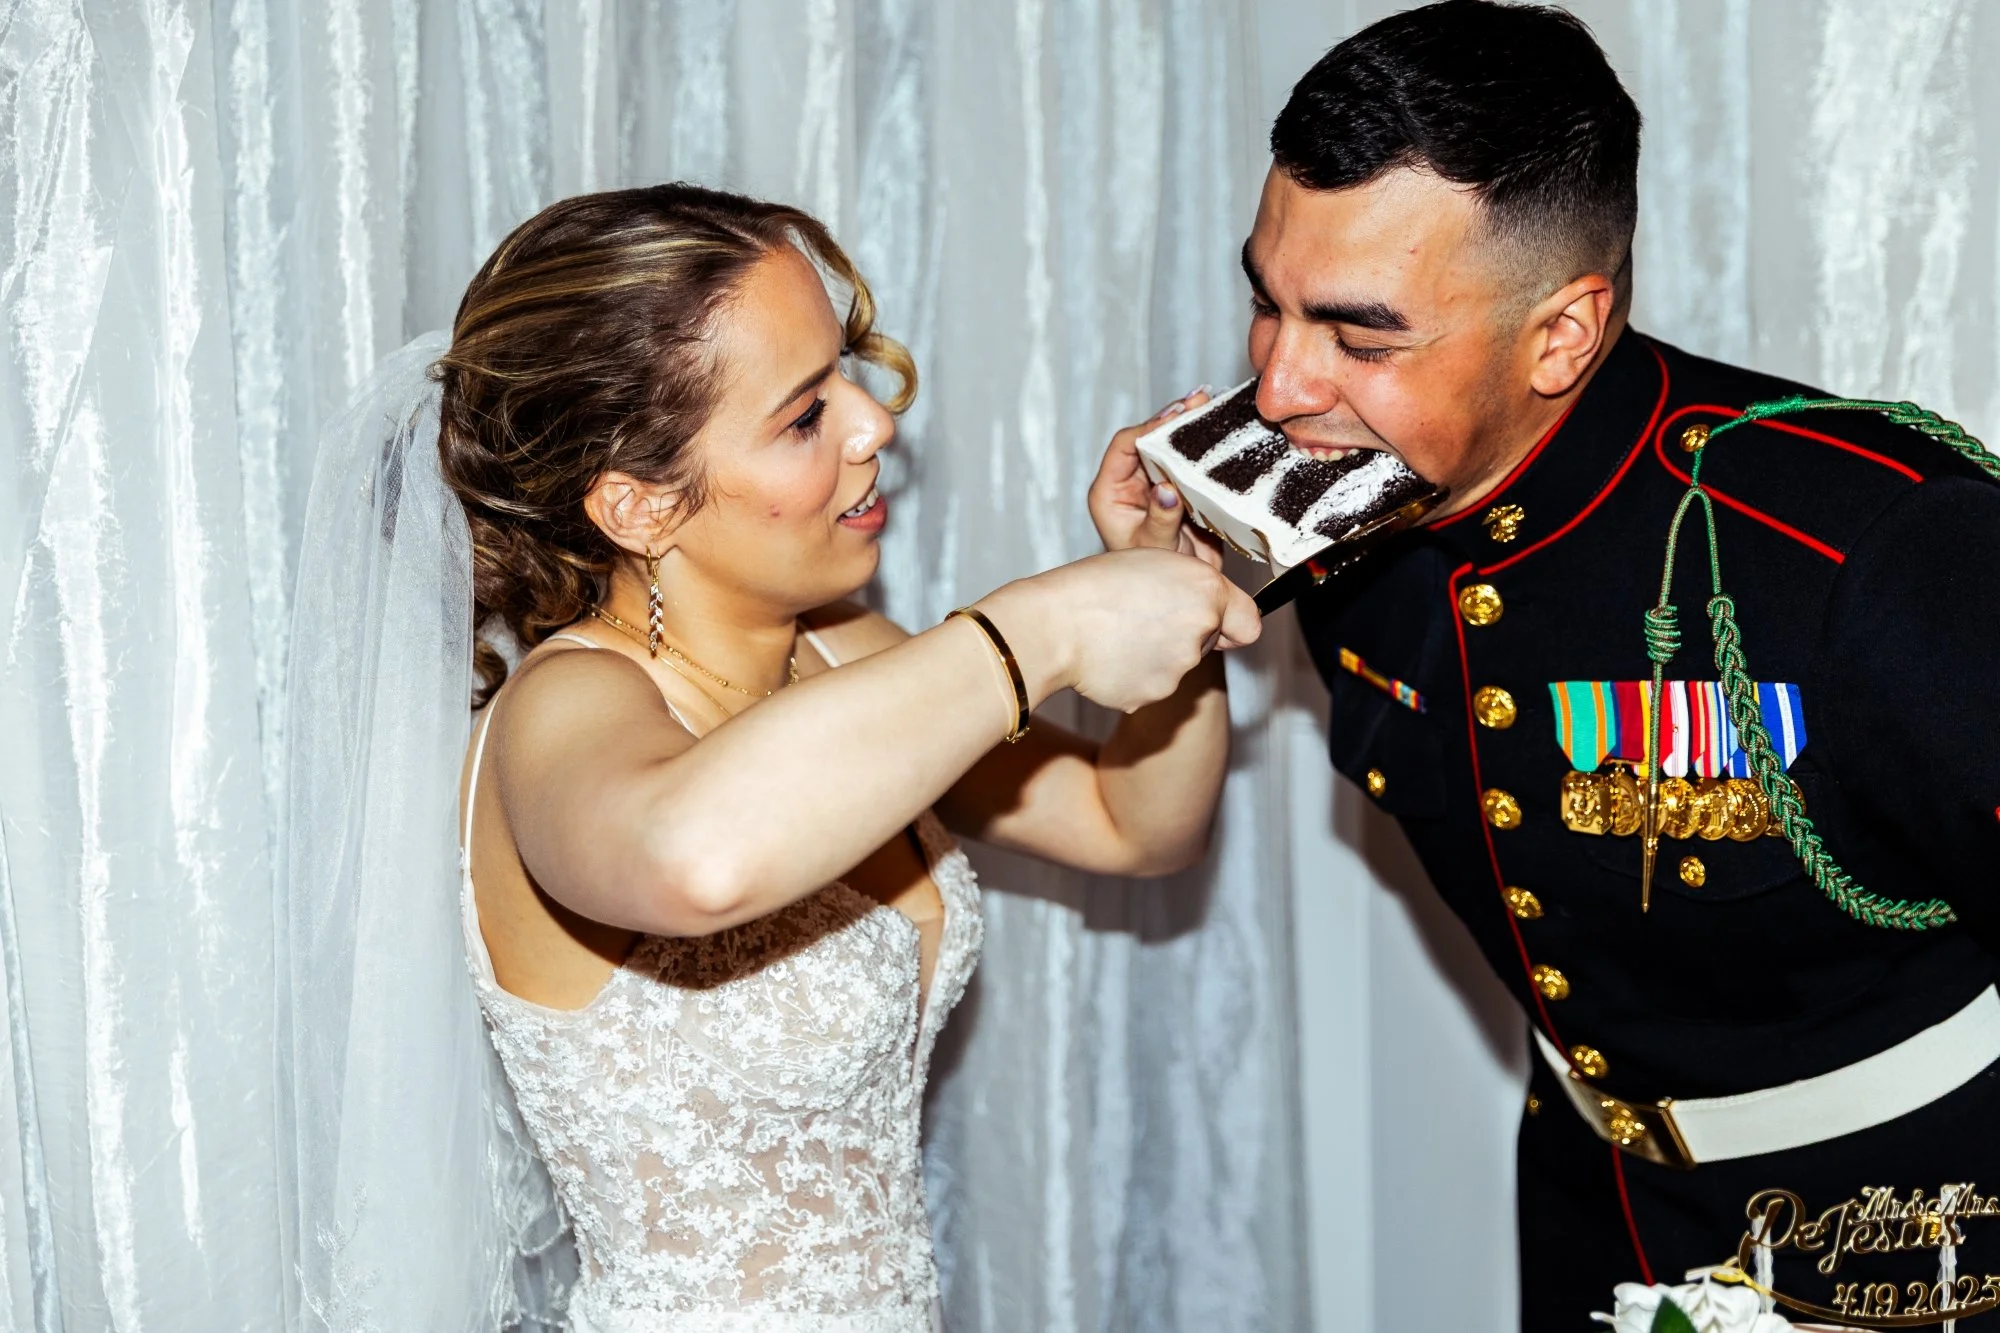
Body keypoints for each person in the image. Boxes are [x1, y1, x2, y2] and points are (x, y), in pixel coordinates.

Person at [284, 184, 1255, 1333]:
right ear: (640, 506)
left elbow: (1129, 823)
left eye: (845, 370)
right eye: (804, 416)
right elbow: (694, 859)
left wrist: (1172, 597)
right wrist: (1037, 629)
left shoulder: (841, 655)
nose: (871, 423)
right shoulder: (565, 705)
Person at [1234, 2, 2000, 1328]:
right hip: (1598, 1214)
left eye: (1361, 337)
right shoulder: (1341, 531)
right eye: (1265, 301)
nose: (1280, 385)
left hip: (1921, 1242)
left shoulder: (1868, 544)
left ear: (1563, 335)